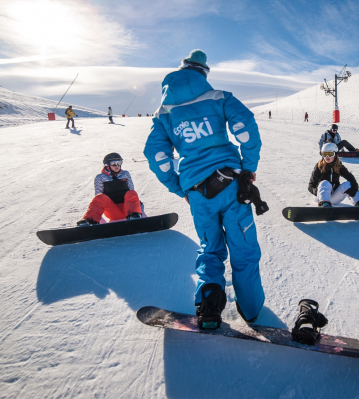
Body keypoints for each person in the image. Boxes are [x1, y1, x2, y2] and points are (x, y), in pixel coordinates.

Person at [144, 49, 264, 329]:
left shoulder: (164, 113)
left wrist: (179, 188)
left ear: (181, 69)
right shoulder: (219, 97)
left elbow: (157, 155)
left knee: (210, 249)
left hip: (197, 192)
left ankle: (208, 303)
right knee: (243, 249)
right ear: (203, 73)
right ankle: (251, 310)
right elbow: (245, 127)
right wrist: (249, 166)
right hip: (232, 185)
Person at [77, 153, 143, 226]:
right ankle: (89, 220)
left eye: (119, 162)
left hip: (127, 208)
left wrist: (137, 204)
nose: (117, 165)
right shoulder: (100, 177)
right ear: (107, 165)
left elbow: (131, 191)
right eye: (113, 163)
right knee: (100, 197)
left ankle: (134, 216)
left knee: (131, 192)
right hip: (112, 211)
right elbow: (98, 197)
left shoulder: (125, 174)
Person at [308, 143, 359, 207]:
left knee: (348, 184)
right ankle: (324, 204)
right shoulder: (319, 167)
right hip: (319, 197)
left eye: (330, 154)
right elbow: (311, 186)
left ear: (335, 154)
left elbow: (350, 178)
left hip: (334, 197)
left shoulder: (339, 166)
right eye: (325, 154)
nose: (327, 157)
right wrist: (320, 192)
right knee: (325, 183)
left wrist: (354, 187)